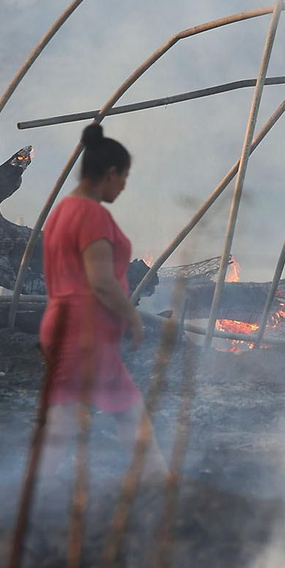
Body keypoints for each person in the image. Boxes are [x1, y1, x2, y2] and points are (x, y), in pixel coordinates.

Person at [39, 124, 167, 475]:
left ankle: (160, 481)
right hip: (86, 330)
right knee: (97, 412)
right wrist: (133, 316)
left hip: (65, 325)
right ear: (110, 174)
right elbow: (101, 281)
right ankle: (159, 482)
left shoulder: (62, 210)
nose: (124, 186)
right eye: (123, 178)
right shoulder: (92, 215)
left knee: (98, 411)